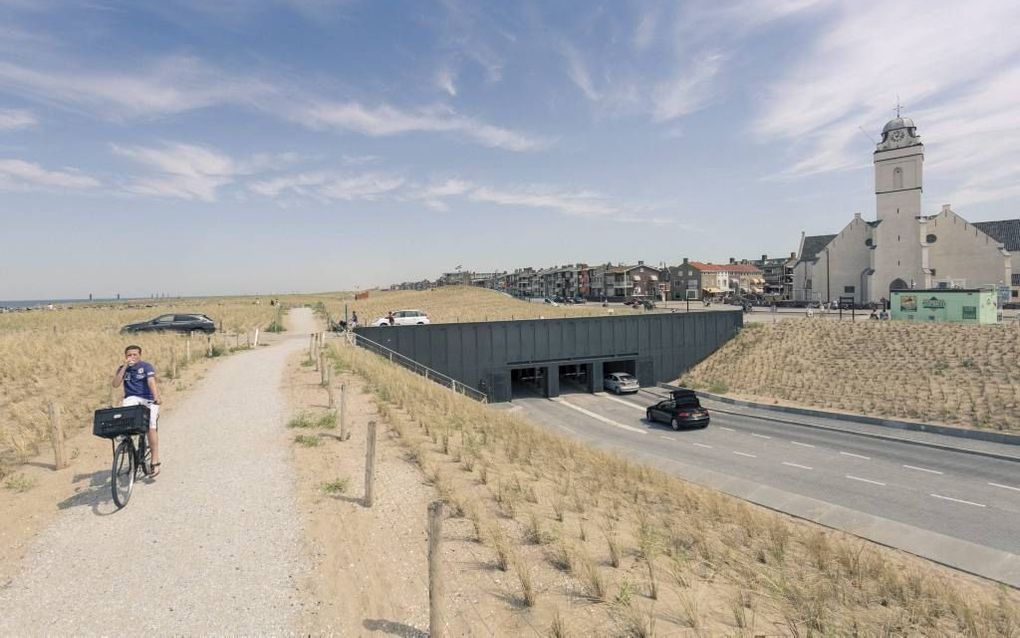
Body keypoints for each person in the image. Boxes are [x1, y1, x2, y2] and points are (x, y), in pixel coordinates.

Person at [112, 345, 163, 476]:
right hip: (132, 398)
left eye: (135, 355)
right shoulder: (123, 369)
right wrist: (124, 367)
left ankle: (155, 459)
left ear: (140, 355)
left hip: (148, 398)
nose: (132, 357)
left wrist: (156, 397)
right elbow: (116, 384)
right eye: (129, 355)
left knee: (151, 427)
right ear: (125, 356)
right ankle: (125, 438)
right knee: (127, 405)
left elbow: (151, 382)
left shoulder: (146, 367)